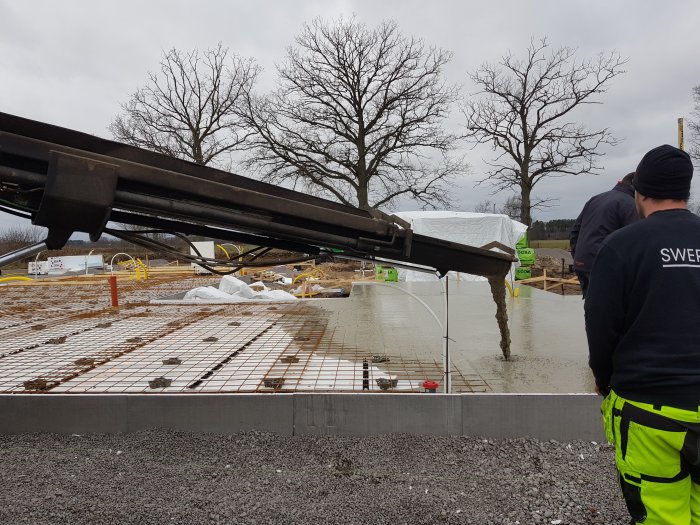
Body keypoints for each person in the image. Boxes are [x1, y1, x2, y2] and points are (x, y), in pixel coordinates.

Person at [585, 144, 700, 525]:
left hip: (648, 411)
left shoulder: (623, 245)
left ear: (641, 192)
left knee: (661, 515)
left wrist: (604, 380)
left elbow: (601, 325)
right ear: (685, 191)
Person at [570, 173, 639, 297]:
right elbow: (637, 241)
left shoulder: (595, 199)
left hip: (582, 263)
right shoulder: (630, 204)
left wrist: (578, 257)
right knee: (612, 309)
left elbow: (575, 232)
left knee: (593, 306)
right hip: (605, 268)